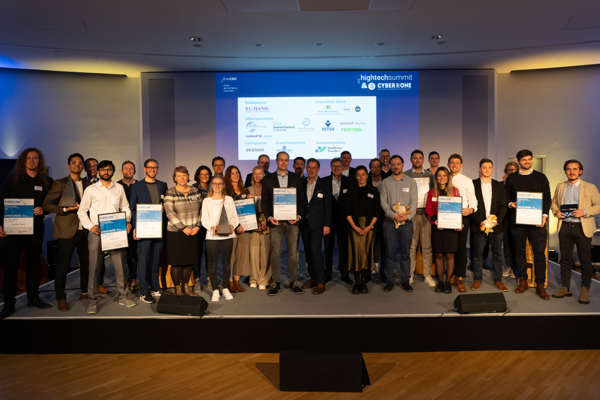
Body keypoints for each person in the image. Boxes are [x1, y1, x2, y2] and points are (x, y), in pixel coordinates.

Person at [0, 148, 54, 319]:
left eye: (35, 158)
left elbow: (52, 203)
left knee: (33, 265)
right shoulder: (13, 179)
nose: (32, 161)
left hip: (36, 229)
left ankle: (33, 298)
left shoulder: (47, 181)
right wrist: (0, 224)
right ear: (23, 160)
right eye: (29, 158)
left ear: (40, 161)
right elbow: (1, 201)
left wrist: (43, 209)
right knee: (11, 267)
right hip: (13, 230)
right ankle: (9, 304)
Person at [77, 160, 133, 314]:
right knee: (94, 267)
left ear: (113, 172)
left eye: (109, 169)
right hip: (97, 231)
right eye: (103, 169)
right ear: (98, 171)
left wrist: (127, 221)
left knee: (120, 265)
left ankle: (123, 296)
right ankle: (92, 300)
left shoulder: (119, 188)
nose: (106, 172)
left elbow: (126, 208)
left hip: (116, 230)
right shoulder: (91, 189)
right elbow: (82, 211)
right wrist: (90, 226)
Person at [42, 153, 91, 311]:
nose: (77, 165)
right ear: (69, 165)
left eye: (80, 163)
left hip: (84, 230)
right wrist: (64, 209)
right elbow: (47, 205)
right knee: (63, 265)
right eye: (74, 162)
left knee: (86, 263)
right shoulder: (60, 183)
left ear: (83, 166)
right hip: (66, 230)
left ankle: (84, 291)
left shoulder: (88, 184)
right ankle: (60, 298)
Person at [551, 160, 600, 304]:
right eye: (568, 169)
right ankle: (565, 287)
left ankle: (585, 289)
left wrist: (584, 211)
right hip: (565, 226)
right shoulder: (560, 186)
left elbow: (598, 205)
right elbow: (554, 202)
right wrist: (556, 211)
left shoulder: (590, 187)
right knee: (565, 259)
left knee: (585, 260)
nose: (571, 171)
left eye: (574, 169)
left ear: (581, 171)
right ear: (565, 171)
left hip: (582, 228)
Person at [505, 149, 552, 300]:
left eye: (529, 159)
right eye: (524, 160)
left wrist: (544, 216)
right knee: (519, 252)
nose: (527, 162)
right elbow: (506, 196)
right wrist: (511, 203)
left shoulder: (541, 177)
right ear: (518, 161)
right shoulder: (512, 178)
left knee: (539, 254)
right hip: (517, 221)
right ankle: (523, 281)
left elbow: (547, 198)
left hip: (537, 222)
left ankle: (540, 284)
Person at [260, 151, 306, 295]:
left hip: (292, 222)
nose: (284, 162)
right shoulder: (268, 179)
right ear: (276, 161)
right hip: (276, 222)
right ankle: (276, 283)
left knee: (293, 253)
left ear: (288, 162)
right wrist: (269, 218)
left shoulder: (296, 178)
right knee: (275, 253)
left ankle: (293, 282)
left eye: (286, 160)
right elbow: (265, 202)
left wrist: (298, 216)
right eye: (281, 160)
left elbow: (301, 200)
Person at [130, 159, 168, 304]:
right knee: (144, 259)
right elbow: (133, 209)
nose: (152, 169)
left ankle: (155, 287)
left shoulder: (163, 185)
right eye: (150, 167)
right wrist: (135, 227)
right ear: (145, 169)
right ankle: (144, 291)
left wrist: (164, 208)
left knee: (156, 258)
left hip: (158, 228)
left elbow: (166, 204)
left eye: (155, 167)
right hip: (144, 228)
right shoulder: (136, 186)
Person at [380, 155, 418, 292]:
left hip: (406, 223)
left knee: (405, 253)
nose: (395, 167)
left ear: (403, 165)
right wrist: (393, 215)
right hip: (390, 223)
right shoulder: (385, 183)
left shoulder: (411, 182)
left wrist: (407, 217)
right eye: (393, 164)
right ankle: (389, 280)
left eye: (398, 164)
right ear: (390, 166)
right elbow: (383, 202)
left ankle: (405, 280)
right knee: (389, 253)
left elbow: (414, 203)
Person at [164, 166, 202, 298]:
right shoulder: (170, 192)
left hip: (193, 231)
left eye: (184, 175)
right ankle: (178, 289)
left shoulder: (195, 191)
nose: (182, 178)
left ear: (188, 176)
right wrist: (183, 228)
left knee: (189, 261)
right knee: (177, 262)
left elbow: (202, 210)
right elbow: (169, 212)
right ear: (175, 178)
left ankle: (187, 287)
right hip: (176, 233)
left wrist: (197, 226)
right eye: (179, 176)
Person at [470, 159, 508, 291]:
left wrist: (498, 220)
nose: (486, 170)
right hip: (479, 225)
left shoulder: (499, 185)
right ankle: (477, 279)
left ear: (492, 169)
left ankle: (498, 280)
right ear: (479, 169)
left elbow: (503, 206)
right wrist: (478, 221)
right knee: (477, 254)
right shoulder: (472, 184)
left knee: (497, 254)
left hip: (496, 226)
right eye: (484, 167)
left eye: (489, 167)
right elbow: (470, 205)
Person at [202, 175, 239, 302]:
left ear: (223, 185)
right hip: (212, 235)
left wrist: (231, 226)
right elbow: (204, 219)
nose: (217, 186)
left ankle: (225, 288)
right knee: (212, 264)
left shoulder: (228, 199)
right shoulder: (206, 201)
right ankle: (215, 290)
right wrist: (212, 226)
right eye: (215, 183)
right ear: (211, 185)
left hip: (228, 235)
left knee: (226, 263)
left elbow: (234, 217)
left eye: (220, 184)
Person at [345, 166, 381, 294]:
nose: (361, 177)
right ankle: (356, 282)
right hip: (354, 225)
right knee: (356, 254)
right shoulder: (351, 191)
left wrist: (369, 226)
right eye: (358, 175)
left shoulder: (374, 190)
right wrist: (355, 227)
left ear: (367, 175)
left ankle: (364, 282)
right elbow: (347, 211)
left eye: (363, 174)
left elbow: (377, 211)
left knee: (366, 254)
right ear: (355, 176)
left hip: (369, 226)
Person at [426, 167, 461, 294]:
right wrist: (436, 220)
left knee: (450, 255)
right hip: (437, 227)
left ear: (448, 177)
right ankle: (440, 282)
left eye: (444, 176)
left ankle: (448, 282)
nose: (442, 178)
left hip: (451, 228)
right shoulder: (431, 192)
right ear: (436, 178)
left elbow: (457, 208)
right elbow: (428, 209)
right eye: (439, 176)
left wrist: (458, 222)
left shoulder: (455, 191)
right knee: (439, 255)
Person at [404, 150, 436, 287]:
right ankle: (409, 274)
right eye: (415, 158)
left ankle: (427, 275)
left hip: (426, 215)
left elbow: (434, 194)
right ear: (411, 159)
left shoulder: (430, 175)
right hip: (411, 215)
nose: (417, 160)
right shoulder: (405, 175)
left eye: (420, 158)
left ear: (423, 160)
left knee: (427, 247)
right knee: (411, 247)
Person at [300, 158, 332, 295]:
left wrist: (327, 224)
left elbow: (328, 206)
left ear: (318, 169)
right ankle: (313, 278)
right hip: (304, 224)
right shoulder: (301, 183)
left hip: (318, 225)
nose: (311, 170)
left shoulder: (324, 184)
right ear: (306, 168)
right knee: (308, 252)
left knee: (316, 252)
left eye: (314, 168)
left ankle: (321, 281)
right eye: (309, 167)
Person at [447, 153, 478, 292]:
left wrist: (471, 209)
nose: (454, 165)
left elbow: (474, 200)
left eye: (457, 163)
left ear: (461, 165)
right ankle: (450, 275)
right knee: (448, 248)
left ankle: (460, 277)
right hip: (446, 217)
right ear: (448, 164)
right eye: (452, 162)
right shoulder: (443, 178)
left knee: (460, 248)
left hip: (462, 217)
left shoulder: (467, 181)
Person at [322, 157, 352, 284]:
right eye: (334, 166)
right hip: (328, 221)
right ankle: (327, 274)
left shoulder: (349, 181)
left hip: (344, 221)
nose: (336, 168)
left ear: (343, 167)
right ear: (330, 167)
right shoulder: (323, 181)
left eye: (339, 166)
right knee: (328, 248)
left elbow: (351, 202)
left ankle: (344, 274)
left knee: (343, 248)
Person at [225, 165, 251, 293]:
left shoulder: (244, 190)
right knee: (231, 256)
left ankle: (237, 280)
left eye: (237, 172)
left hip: (245, 227)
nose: (235, 175)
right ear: (228, 176)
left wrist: (250, 200)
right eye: (232, 173)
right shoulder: (226, 191)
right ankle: (229, 281)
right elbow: (226, 212)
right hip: (232, 228)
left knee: (241, 255)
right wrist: (236, 226)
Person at [247, 166, 272, 289]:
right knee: (254, 253)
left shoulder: (269, 189)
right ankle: (253, 278)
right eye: (255, 173)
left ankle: (264, 279)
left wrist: (267, 222)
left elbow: (272, 207)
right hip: (252, 226)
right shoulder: (248, 190)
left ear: (264, 175)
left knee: (266, 252)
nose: (258, 176)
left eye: (260, 173)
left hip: (266, 224)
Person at [117, 160, 138, 291]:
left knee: (134, 254)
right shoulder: (116, 186)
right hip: (120, 224)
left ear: (135, 171)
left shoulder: (140, 185)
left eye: (131, 169)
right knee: (122, 254)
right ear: (121, 171)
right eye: (126, 169)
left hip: (136, 224)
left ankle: (134, 279)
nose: (128, 171)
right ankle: (125, 279)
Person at [192, 165, 212, 292]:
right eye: (202, 174)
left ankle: (210, 279)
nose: (204, 176)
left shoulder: (213, 188)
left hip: (210, 224)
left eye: (207, 174)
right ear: (198, 176)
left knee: (210, 253)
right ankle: (197, 280)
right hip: (198, 225)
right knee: (197, 253)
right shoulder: (193, 188)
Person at [367, 158, 387, 282]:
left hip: (385, 217)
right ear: (370, 169)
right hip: (370, 218)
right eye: (373, 167)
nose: (376, 169)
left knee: (384, 244)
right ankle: (371, 268)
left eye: (378, 166)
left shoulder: (387, 180)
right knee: (371, 243)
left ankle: (384, 270)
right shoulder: (366, 181)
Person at [502, 161, 519, 278]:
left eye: (513, 170)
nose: (511, 171)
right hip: (505, 217)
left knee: (516, 243)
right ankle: (508, 266)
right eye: (509, 169)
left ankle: (515, 267)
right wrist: (504, 183)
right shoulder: (500, 184)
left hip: (517, 216)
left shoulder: (519, 182)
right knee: (507, 242)